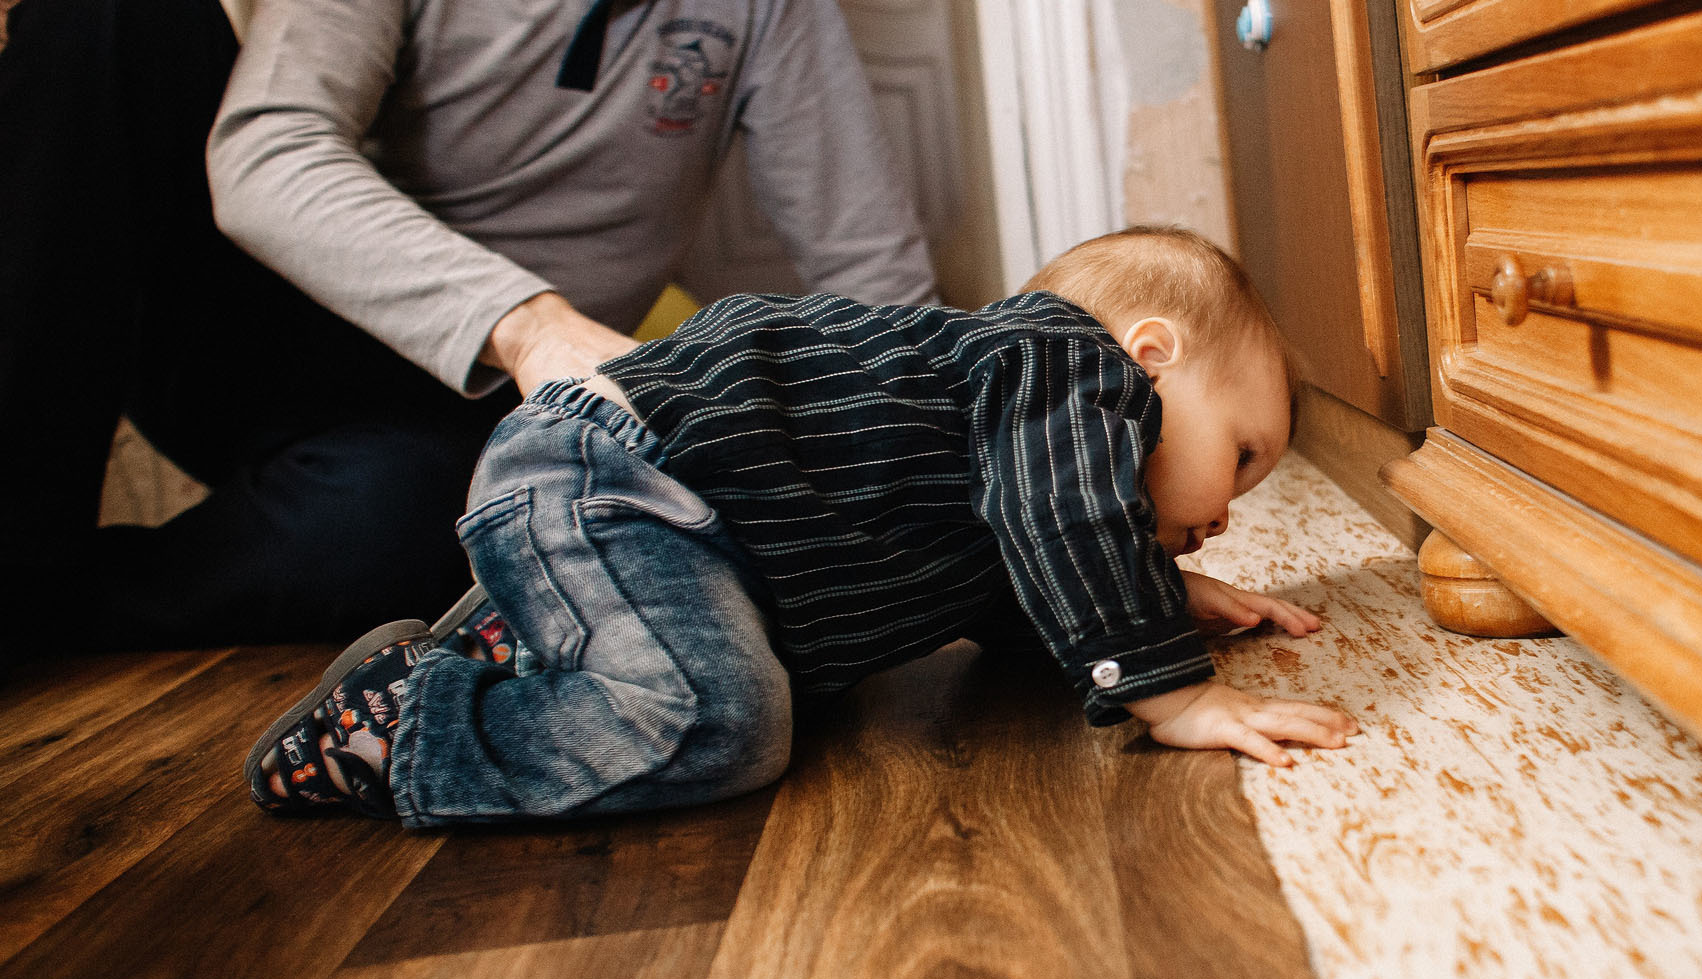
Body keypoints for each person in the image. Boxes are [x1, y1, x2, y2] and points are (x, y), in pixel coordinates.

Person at [0, 0, 931, 664]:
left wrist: (937, 465)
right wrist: (531, 323)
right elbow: (267, 155)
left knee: (411, 524)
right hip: (290, 335)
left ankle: (50, 610)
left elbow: (860, 243)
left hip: (470, 426)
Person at [242, 228, 1359, 826]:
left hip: (642, 512)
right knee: (723, 724)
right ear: (1150, 355)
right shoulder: (1065, 361)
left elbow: (1027, 578)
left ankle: (503, 645)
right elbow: (1062, 512)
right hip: (623, 477)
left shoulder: (1001, 456)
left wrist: (1156, 600)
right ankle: (409, 725)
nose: (1223, 510)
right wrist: (1178, 691)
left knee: (728, 669)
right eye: (1242, 455)